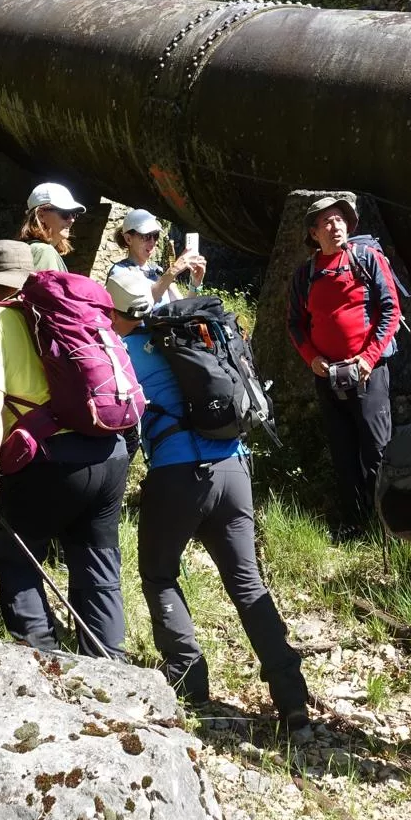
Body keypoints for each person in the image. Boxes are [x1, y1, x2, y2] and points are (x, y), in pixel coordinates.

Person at [104, 268, 309, 730]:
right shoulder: (195, 339)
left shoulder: (125, 348)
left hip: (178, 475)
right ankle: (291, 695)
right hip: (235, 469)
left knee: (159, 573)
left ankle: (188, 678)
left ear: (114, 310)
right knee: (247, 584)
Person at [0, 239, 129, 657]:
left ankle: (45, 664)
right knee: (97, 566)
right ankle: (112, 670)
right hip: (109, 449)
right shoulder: (75, 315)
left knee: (15, 553)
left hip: (49, 460)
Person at [285, 191, 402, 539]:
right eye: (326, 222)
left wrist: (367, 359)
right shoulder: (305, 275)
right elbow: (295, 324)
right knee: (342, 450)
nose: (334, 226)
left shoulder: (367, 259)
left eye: (339, 219)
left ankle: (387, 527)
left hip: (369, 373)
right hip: (328, 375)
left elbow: (390, 310)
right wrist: (313, 359)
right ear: (314, 233)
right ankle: (354, 523)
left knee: (377, 450)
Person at [105, 208, 206, 309]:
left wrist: (194, 284)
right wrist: (173, 270)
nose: (153, 242)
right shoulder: (119, 272)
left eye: (155, 236)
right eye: (146, 236)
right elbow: (141, 306)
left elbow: (183, 309)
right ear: (128, 239)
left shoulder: (158, 271)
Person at [19, 181, 84, 273]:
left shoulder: (32, 248)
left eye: (74, 214)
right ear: (41, 215)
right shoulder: (44, 251)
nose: (72, 220)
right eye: (65, 213)